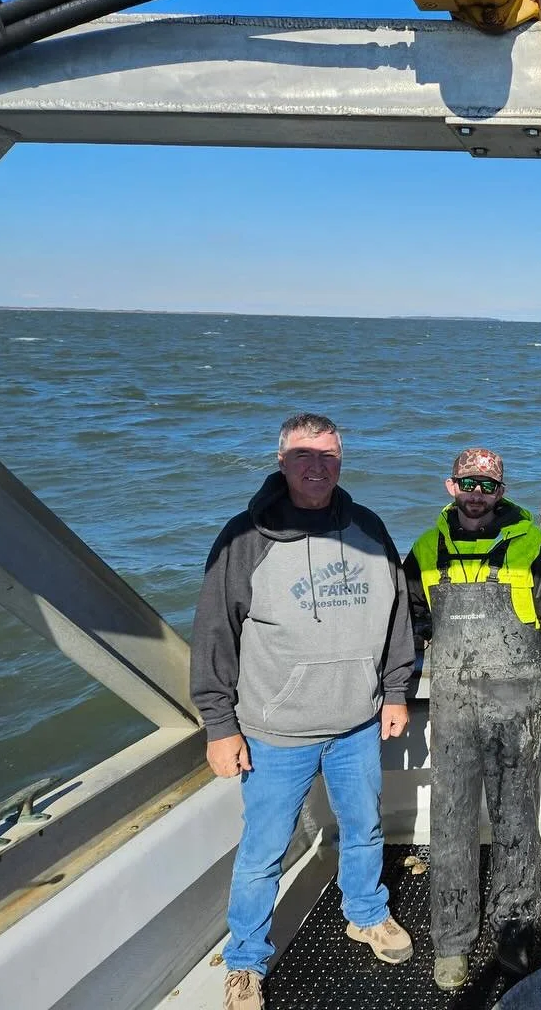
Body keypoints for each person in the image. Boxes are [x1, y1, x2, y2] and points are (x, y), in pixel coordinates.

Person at [190, 412, 416, 1010]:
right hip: (273, 733)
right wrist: (219, 726)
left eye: (329, 456)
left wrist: (396, 692)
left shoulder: (368, 527)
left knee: (365, 828)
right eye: (303, 455)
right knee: (262, 852)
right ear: (281, 461)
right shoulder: (244, 538)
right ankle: (244, 961)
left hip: (357, 725)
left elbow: (397, 618)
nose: (317, 466)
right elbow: (215, 632)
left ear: (341, 462)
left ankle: (366, 915)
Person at [403, 447, 541, 991]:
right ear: (450, 486)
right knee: (450, 824)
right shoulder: (425, 548)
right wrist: (398, 692)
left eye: (488, 485)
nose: (477, 493)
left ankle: (515, 931)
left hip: (518, 705)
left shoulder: (532, 544)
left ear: (501, 491)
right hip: (453, 707)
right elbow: (409, 626)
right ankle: (451, 942)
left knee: (517, 821)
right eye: (467, 483)